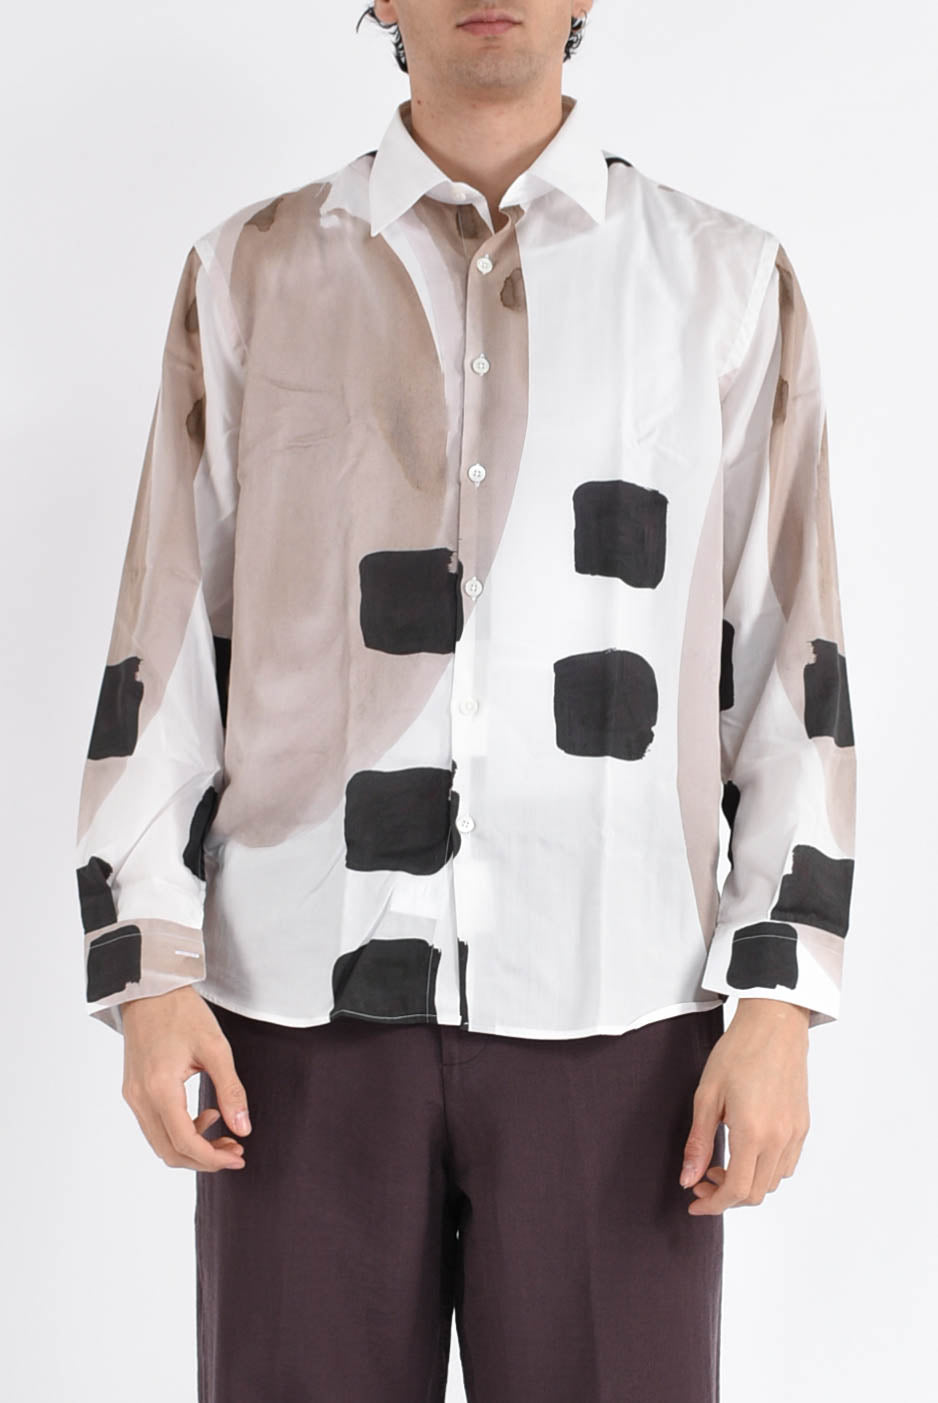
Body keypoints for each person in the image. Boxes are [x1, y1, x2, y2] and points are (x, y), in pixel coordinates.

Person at [73, 2, 857, 1398]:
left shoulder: (723, 283)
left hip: (620, 1013)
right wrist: (147, 970)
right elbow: (169, 631)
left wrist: (778, 1000)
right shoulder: (250, 271)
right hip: (295, 1015)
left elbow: (794, 656)